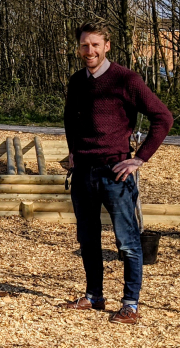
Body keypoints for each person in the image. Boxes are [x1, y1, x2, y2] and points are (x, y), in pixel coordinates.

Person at [62, 20, 173, 325]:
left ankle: (130, 304)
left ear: (107, 45)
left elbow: (163, 118)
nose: (90, 50)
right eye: (84, 44)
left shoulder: (126, 79)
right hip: (83, 174)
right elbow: (70, 119)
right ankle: (94, 295)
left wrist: (139, 159)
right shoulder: (76, 82)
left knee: (126, 242)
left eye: (96, 44)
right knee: (88, 239)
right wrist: (73, 150)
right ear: (78, 47)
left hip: (116, 174)